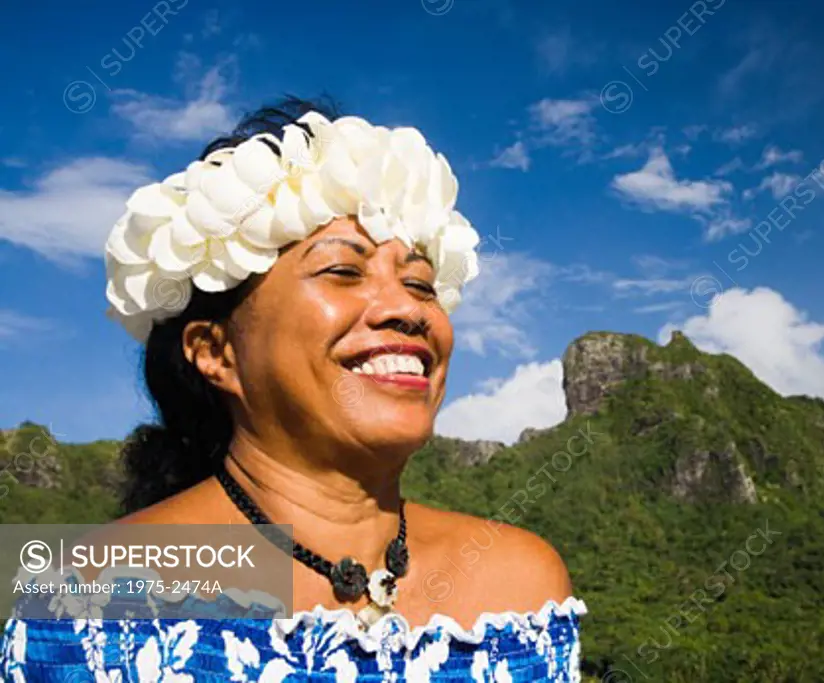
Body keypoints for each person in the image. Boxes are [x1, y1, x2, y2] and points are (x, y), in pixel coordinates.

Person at [0, 96, 586, 681]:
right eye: (343, 271)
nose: (407, 309)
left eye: (420, 283)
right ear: (215, 352)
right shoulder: (90, 605)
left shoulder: (522, 586)